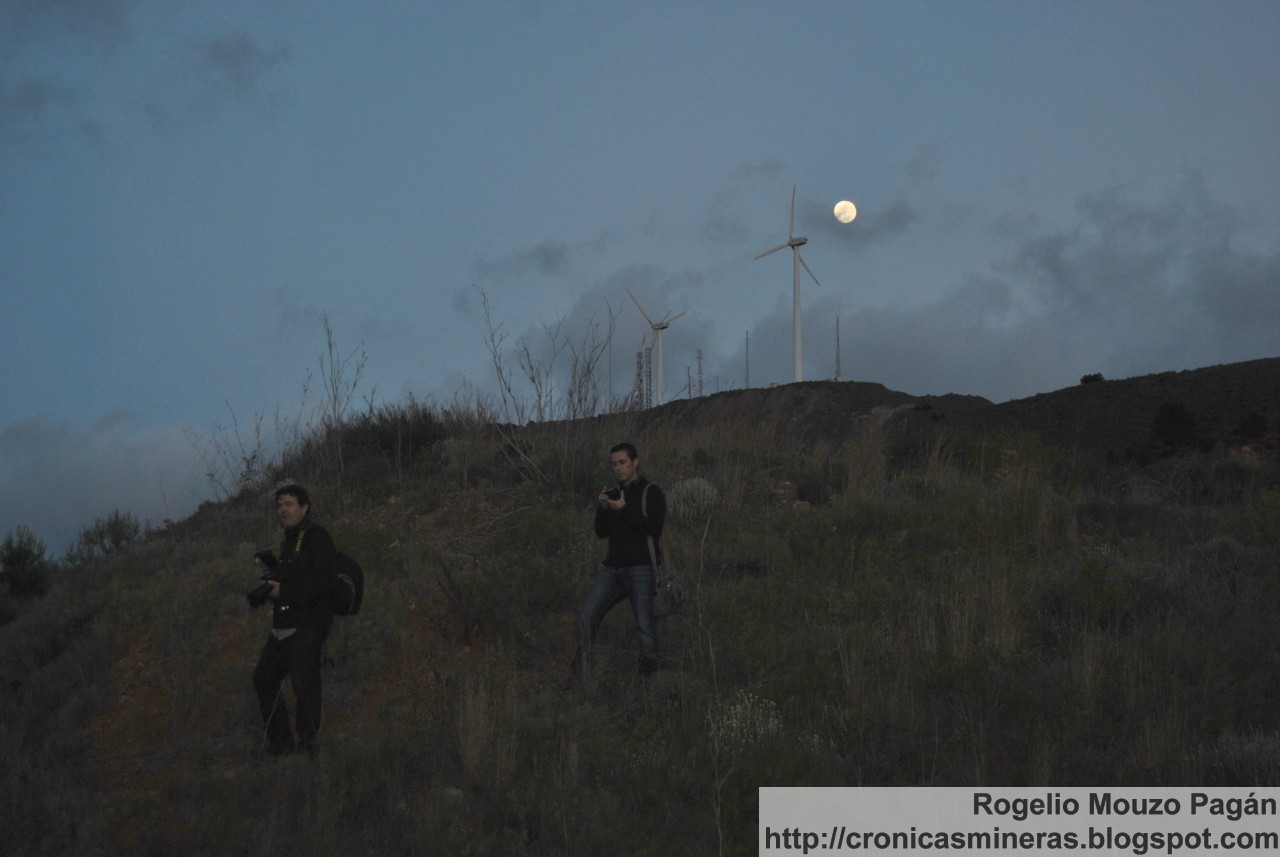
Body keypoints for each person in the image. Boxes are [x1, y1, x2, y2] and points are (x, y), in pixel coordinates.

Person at [568, 442, 666, 687]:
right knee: (587, 615)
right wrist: (603, 508)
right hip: (612, 569)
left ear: (635, 462)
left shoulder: (651, 491)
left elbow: (653, 528)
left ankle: (651, 682)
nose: (618, 468)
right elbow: (601, 532)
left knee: (645, 626)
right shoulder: (614, 493)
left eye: (623, 462)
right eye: (614, 464)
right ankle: (579, 674)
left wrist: (623, 509)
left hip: (641, 568)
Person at [251, 483, 337, 757]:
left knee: (305, 685)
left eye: (289, 504)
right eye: (279, 505)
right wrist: (273, 576)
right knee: (264, 678)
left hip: (308, 625)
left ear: (304, 507)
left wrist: (284, 591)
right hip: (284, 625)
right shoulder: (290, 538)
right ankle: (281, 744)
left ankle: (307, 747)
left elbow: (325, 583)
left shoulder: (317, 537)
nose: (283, 510)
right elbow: (296, 575)